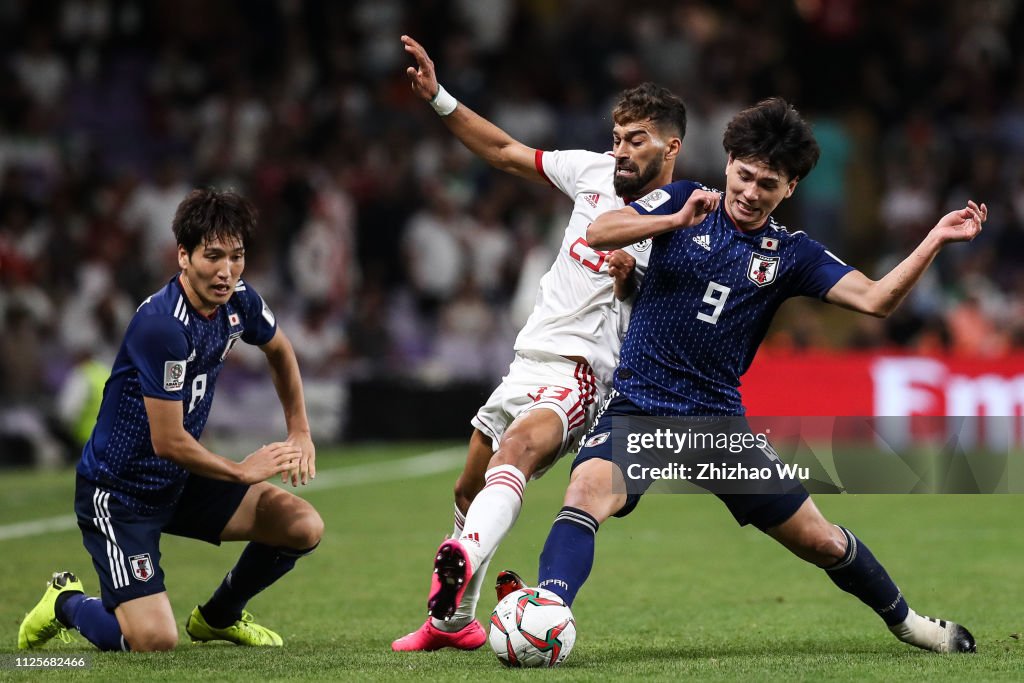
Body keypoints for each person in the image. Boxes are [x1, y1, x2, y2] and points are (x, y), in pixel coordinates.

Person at [525, 98, 982, 654]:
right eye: (744, 175)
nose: (750, 191)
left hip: (717, 426)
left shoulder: (792, 254)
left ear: (789, 189)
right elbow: (599, 232)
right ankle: (545, 615)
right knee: (586, 488)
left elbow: (877, 299)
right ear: (728, 163)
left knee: (821, 540)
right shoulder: (681, 200)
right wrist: (671, 219)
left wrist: (934, 238)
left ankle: (911, 624)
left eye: (768, 184)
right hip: (640, 408)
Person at [392, 35, 685, 651]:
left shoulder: (686, 217)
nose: (621, 149)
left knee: (518, 451)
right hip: (528, 357)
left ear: (671, 146)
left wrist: (639, 285)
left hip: (581, 372)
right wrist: (439, 97)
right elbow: (502, 150)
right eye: (618, 135)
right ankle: (453, 623)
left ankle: (465, 553)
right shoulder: (591, 173)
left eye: (637, 139)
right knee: (468, 486)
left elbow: (680, 312)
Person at [18, 188, 324, 652]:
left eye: (237, 256)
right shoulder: (163, 325)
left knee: (302, 526)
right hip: (121, 492)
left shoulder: (238, 298)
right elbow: (168, 441)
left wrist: (300, 431)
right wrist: (243, 471)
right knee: (154, 640)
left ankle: (219, 617)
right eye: (213, 256)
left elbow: (279, 349)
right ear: (183, 255)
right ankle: (65, 602)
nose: (226, 272)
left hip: (182, 480)